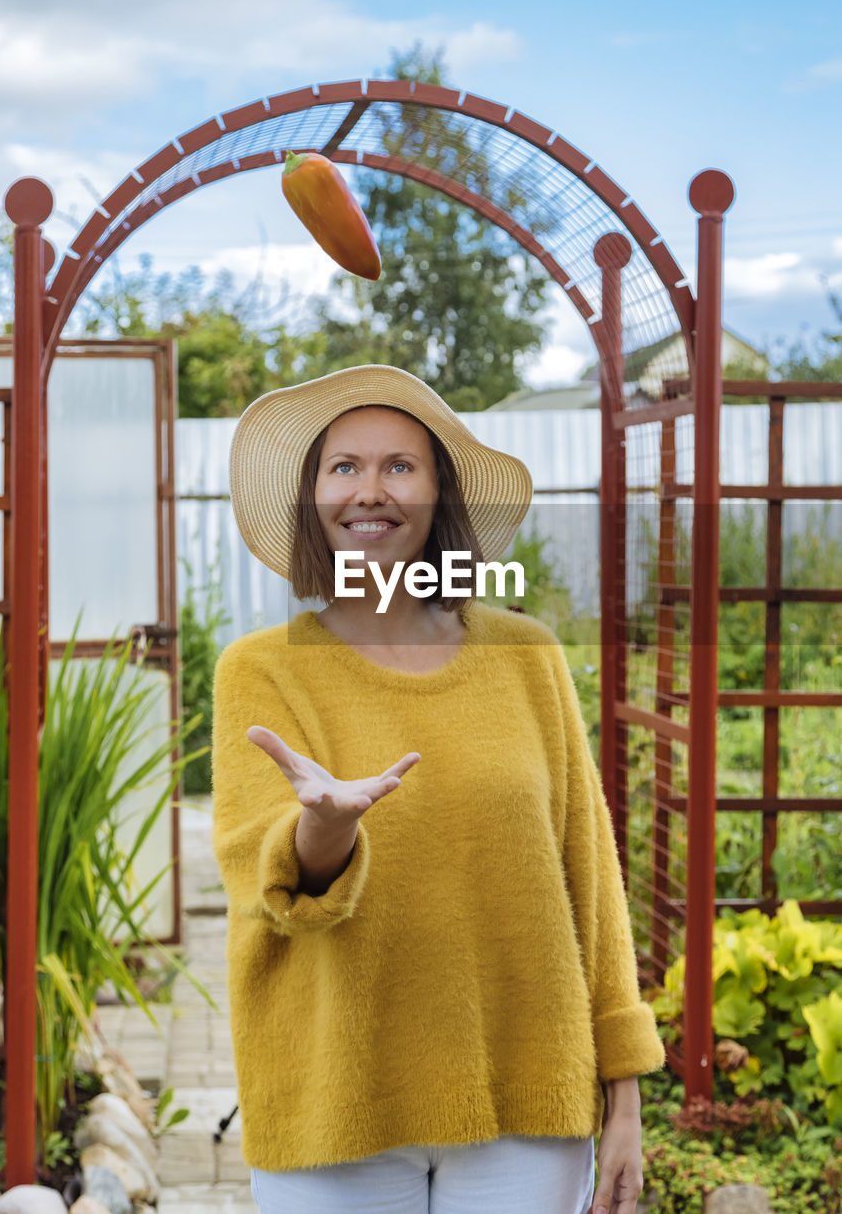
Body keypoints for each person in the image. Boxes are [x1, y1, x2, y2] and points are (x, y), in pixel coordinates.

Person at [211, 364, 666, 1214]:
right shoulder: (260, 673)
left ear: (437, 494)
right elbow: (264, 882)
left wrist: (624, 1092)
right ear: (313, 497)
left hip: (525, 1096)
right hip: (333, 1104)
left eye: (399, 465)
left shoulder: (524, 657)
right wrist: (326, 830)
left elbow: (588, 880)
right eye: (342, 466)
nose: (369, 490)